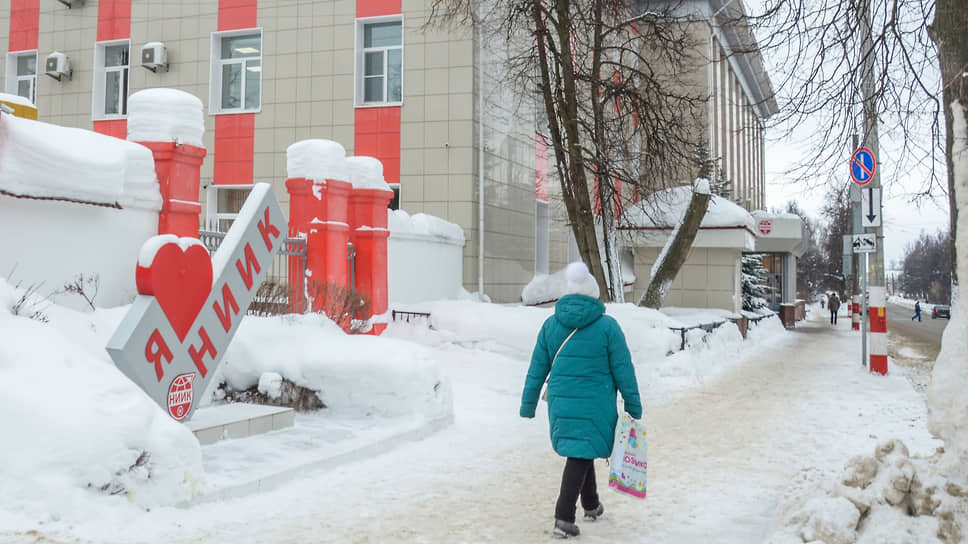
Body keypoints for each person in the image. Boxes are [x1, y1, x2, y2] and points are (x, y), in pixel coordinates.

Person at [519, 261, 643, 538]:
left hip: (561, 402)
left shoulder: (551, 325)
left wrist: (528, 403)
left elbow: (537, 367)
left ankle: (591, 504)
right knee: (580, 452)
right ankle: (563, 517)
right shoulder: (608, 327)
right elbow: (623, 369)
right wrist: (633, 404)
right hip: (597, 403)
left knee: (581, 449)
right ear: (593, 294)